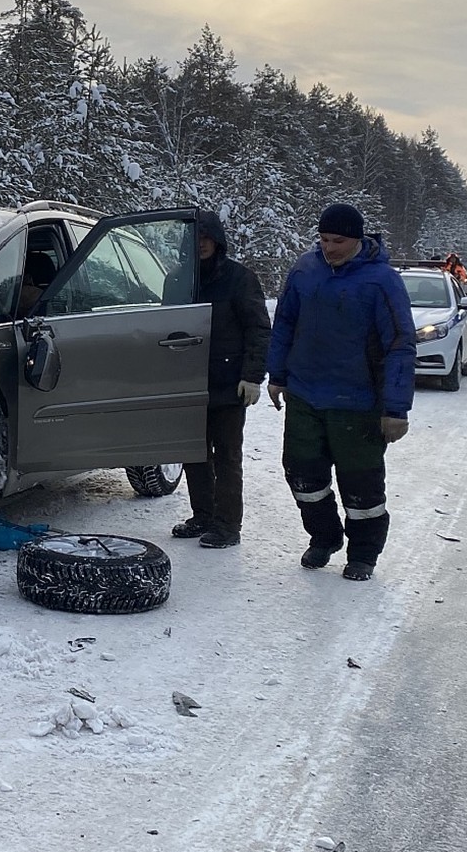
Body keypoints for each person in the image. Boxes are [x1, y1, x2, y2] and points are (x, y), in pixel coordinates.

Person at [265, 203, 415, 582]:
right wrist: (277, 375)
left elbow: (400, 344)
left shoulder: (381, 280)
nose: (329, 247)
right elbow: (284, 323)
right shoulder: (304, 270)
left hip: (358, 403)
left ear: (358, 240)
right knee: (302, 475)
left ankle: (363, 554)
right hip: (304, 394)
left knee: (361, 485)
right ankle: (324, 537)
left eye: (338, 240)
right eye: (324, 239)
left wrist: (396, 408)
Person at [166, 211, 271, 548]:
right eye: (195, 238)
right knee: (195, 453)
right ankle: (203, 515)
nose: (201, 245)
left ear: (218, 240)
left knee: (227, 455)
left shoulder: (240, 279)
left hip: (229, 382)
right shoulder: (177, 280)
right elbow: (166, 330)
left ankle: (227, 525)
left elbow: (258, 328)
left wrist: (252, 376)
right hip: (189, 381)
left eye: (207, 238)